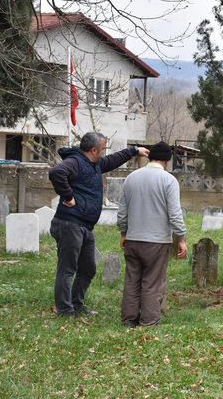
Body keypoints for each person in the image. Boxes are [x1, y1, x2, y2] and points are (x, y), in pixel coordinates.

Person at [48, 132, 149, 317]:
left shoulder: (95, 164)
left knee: (88, 269)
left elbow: (113, 160)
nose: (104, 152)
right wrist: (69, 196)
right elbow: (56, 173)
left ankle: (76, 304)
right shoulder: (75, 162)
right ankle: (65, 310)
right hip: (70, 224)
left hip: (85, 226)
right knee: (67, 269)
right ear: (94, 150)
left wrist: (134, 151)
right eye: (103, 149)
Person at [117, 141, 188, 327]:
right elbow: (175, 213)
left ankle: (129, 319)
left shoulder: (131, 178)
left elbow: (122, 210)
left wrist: (123, 232)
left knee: (132, 280)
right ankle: (148, 321)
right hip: (156, 242)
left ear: (150, 157)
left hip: (132, 238)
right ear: (167, 160)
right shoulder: (169, 180)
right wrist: (181, 237)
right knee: (152, 282)